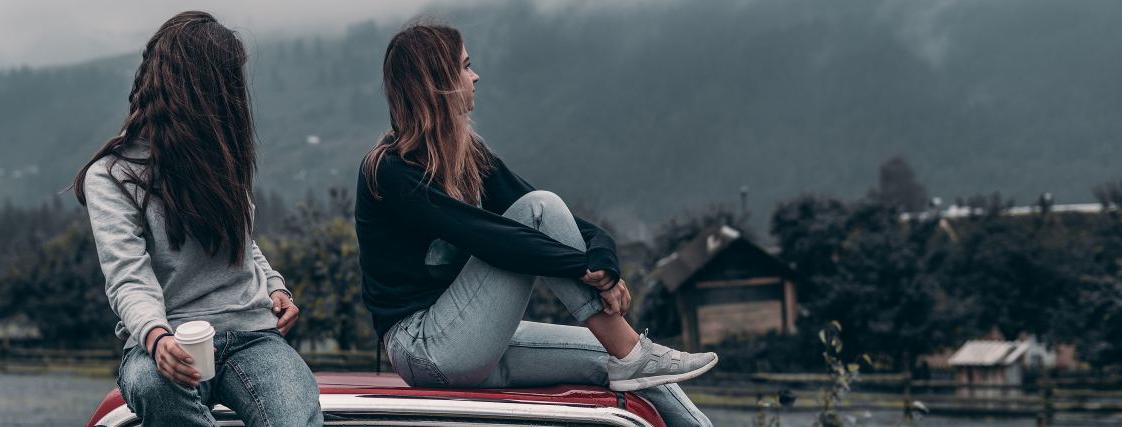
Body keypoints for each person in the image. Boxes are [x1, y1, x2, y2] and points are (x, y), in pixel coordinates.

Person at [356, 22, 717, 426]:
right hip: (424, 347)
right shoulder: (390, 170)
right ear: (438, 82)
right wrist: (582, 269)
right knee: (539, 208)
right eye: (465, 66)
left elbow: (546, 214)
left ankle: (637, 358)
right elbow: (490, 236)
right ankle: (630, 348)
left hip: (475, 339)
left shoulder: (468, 153)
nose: (475, 77)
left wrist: (603, 254)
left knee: (629, 368)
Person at [72, 11, 321, 427]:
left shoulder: (222, 157)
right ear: (200, 88)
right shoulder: (111, 176)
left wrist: (276, 287)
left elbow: (243, 241)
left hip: (253, 336)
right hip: (165, 339)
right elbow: (127, 276)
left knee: (295, 411)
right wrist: (157, 337)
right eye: (228, 81)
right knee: (151, 386)